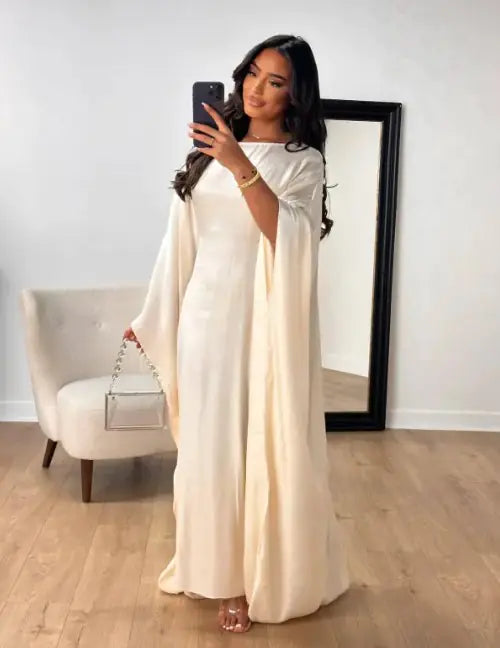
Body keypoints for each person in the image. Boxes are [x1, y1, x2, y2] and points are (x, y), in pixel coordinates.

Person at [123, 34, 350, 634]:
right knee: (209, 447)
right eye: (252, 74)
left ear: (296, 95)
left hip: (263, 323)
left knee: (257, 444)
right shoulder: (208, 151)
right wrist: (155, 313)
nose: (256, 89)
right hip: (205, 319)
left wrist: (239, 163)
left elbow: (290, 237)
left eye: (275, 82)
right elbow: (180, 240)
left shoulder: (302, 162)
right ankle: (217, 571)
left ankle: (252, 579)